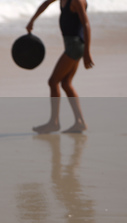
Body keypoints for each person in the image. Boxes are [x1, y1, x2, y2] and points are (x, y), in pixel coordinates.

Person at [26, 0, 94, 133]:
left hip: (75, 45)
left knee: (53, 82)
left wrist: (87, 52)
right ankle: (80, 122)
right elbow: (45, 4)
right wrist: (31, 21)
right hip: (71, 45)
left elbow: (86, 24)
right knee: (66, 84)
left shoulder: (77, 1)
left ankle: (54, 122)